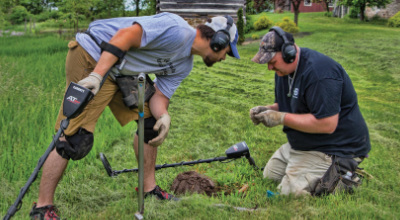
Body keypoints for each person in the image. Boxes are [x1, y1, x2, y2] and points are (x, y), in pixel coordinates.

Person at [29, 12, 240, 219]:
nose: (223, 59)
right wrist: (96, 76)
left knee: (151, 124)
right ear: (218, 41)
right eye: (227, 52)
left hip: (121, 71)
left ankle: (148, 189)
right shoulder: (176, 30)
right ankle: (42, 207)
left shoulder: (184, 65)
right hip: (93, 55)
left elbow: (160, 96)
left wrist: (164, 116)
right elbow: (125, 36)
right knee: (74, 137)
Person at [250, 27, 370, 196]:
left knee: (288, 194)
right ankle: (320, 172)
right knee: (270, 175)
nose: (269, 67)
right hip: (309, 141)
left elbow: (327, 124)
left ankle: (343, 176)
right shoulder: (284, 71)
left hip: (336, 146)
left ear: (288, 53)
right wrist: (268, 110)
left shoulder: (320, 74)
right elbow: (289, 105)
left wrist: (281, 118)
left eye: (272, 61)